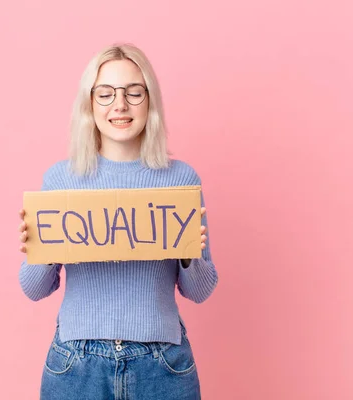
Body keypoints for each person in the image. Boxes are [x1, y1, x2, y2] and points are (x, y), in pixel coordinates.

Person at [18, 43, 218, 400]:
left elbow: (200, 291)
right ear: (90, 103)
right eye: (106, 93)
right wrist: (43, 246)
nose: (120, 105)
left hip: (163, 364)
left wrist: (190, 252)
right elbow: (33, 288)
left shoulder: (181, 180)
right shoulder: (61, 180)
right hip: (76, 365)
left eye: (133, 93)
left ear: (150, 100)